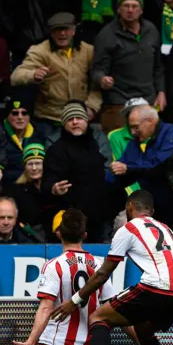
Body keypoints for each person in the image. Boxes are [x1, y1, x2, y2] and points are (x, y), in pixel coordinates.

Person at [52, 190, 173, 345]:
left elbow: (102, 274)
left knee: (99, 317)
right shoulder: (166, 228)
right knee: (144, 330)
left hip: (157, 287)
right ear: (151, 212)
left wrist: (75, 301)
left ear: (129, 207)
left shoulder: (128, 229)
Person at [9, 209, 119, 345]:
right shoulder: (98, 265)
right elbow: (113, 308)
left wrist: (30, 342)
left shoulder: (54, 266)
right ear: (84, 235)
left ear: (58, 233)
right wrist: (141, 341)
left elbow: (45, 309)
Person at [11, 12, 102, 146]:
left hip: (79, 118)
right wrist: (33, 75)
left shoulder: (88, 51)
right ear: (51, 32)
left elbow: (97, 83)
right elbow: (16, 76)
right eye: (57, 30)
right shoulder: (40, 51)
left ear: (74, 30)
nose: (62, 34)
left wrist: (92, 107)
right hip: (50, 119)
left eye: (66, 29)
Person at [92, 0, 166, 133]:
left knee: (151, 140)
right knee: (121, 143)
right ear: (118, 9)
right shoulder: (107, 35)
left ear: (141, 10)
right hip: (119, 100)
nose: (130, 10)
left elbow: (158, 66)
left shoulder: (151, 31)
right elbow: (96, 69)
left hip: (148, 99)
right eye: (126, 6)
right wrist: (102, 79)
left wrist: (161, 91)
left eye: (134, 6)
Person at [42, 101, 110, 242]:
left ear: (86, 121)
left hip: (98, 219)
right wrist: (54, 189)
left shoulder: (95, 145)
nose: (74, 122)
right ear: (64, 124)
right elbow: (47, 182)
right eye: (70, 119)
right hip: (69, 220)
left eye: (78, 118)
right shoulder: (56, 150)